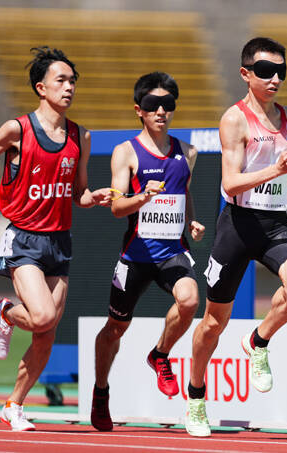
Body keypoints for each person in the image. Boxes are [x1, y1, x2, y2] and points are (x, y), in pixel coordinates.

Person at [0, 47, 112, 432]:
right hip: (24, 239)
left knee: (46, 334)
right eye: (61, 80)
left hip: (59, 242)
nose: (69, 87)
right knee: (40, 316)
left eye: (73, 80)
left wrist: (97, 197)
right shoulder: (17, 130)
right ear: (41, 87)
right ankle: (6, 312)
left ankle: (14, 405)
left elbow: (79, 194)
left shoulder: (80, 136)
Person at [184, 37, 287, 437]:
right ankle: (196, 398)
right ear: (246, 74)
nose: (275, 79)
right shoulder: (234, 119)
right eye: (266, 72)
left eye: (281, 72)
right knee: (212, 323)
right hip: (238, 226)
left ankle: (258, 340)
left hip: (274, 223)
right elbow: (232, 182)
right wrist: (276, 171)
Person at [90, 72, 205, 432]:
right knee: (114, 329)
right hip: (136, 255)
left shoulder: (187, 152)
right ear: (139, 110)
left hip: (172, 252)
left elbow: (182, 193)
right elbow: (116, 206)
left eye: (168, 105)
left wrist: (192, 222)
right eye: (153, 105)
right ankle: (101, 390)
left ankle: (159, 355)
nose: (161, 111)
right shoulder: (126, 152)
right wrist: (142, 197)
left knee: (189, 300)